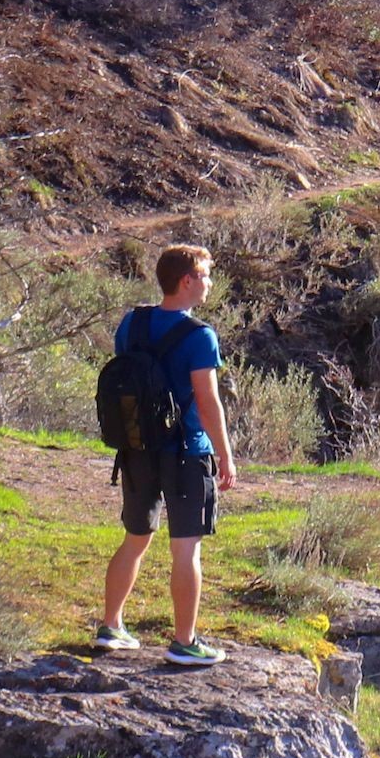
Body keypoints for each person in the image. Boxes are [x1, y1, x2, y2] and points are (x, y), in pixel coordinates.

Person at [95, 243, 235, 662]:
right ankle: (184, 642)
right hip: (186, 453)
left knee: (135, 538)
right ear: (187, 280)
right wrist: (225, 455)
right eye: (206, 275)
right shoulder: (200, 336)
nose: (209, 283)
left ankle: (111, 625)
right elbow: (207, 402)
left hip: (137, 449)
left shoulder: (131, 324)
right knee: (186, 547)